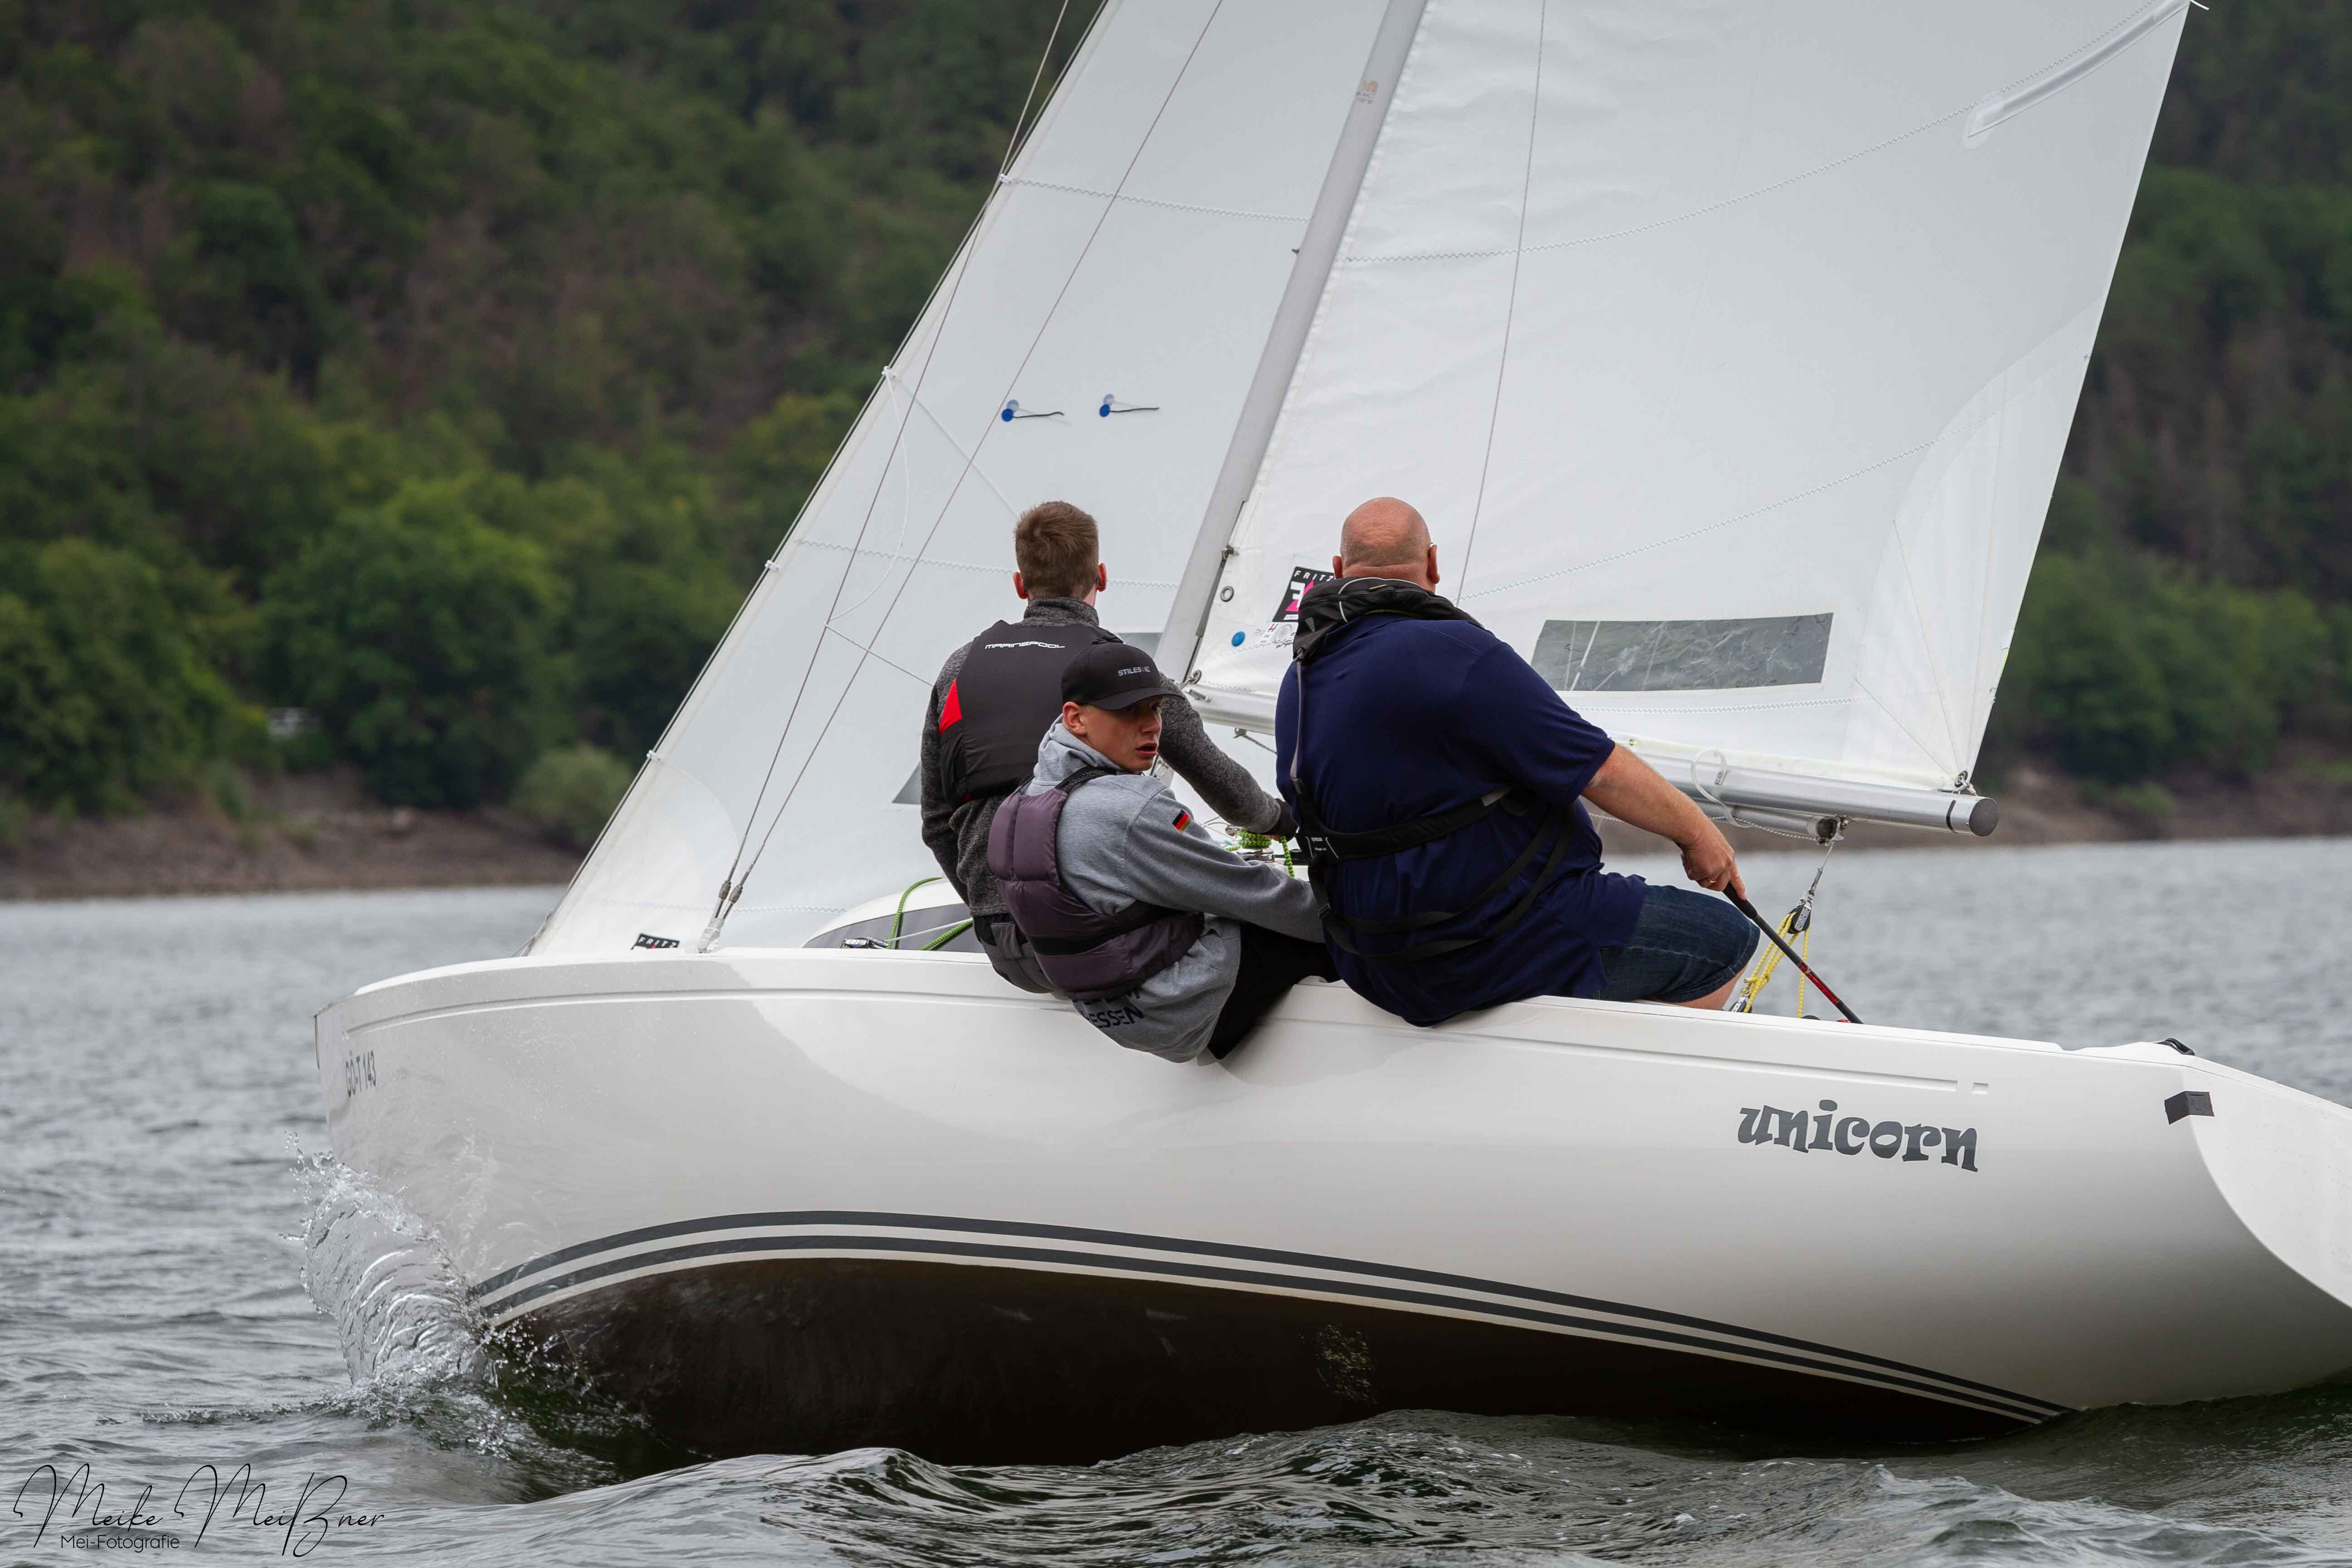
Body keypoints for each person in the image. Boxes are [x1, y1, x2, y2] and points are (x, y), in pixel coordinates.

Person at [1273, 496, 1759, 1026]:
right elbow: (1601, 770)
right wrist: (1698, 835)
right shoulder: (1458, 654)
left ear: (1340, 571)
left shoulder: (1299, 680)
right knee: (1723, 942)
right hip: (1484, 947)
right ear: (1433, 564)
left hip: (1374, 962)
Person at [922, 500, 1292, 992]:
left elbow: (936, 824)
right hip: (1096, 942)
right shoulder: (1124, 675)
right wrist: (1280, 820)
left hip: (1006, 948)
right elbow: (1226, 790)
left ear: (1020, 584)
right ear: (1101, 576)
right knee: (1256, 916)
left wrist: (990, 907)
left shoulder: (958, 670)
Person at [989, 643, 1336, 1062]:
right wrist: (1357, 915)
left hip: (1112, 1013)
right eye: (1129, 712)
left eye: (1155, 709)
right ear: (1075, 719)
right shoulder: (1132, 808)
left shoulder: (1020, 804)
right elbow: (1251, 892)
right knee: (1332, 929)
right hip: (1181, 1011)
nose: (1152, 726)